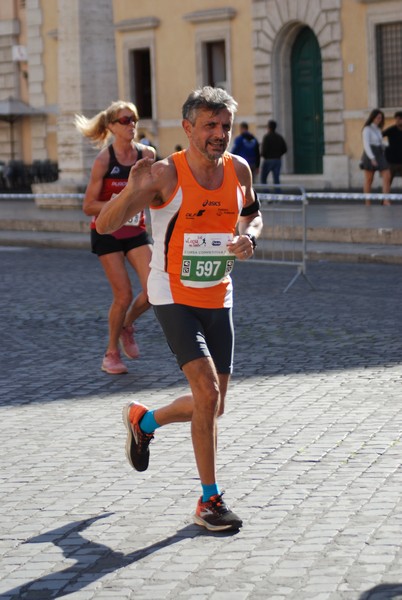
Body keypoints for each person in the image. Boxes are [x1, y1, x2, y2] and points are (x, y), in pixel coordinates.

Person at [96, 86, 263, 532]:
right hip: (172, 294)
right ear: (187, 128)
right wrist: (131, 192)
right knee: (206, 395)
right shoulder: (164, 175)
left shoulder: (240, 169)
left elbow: (252, 213)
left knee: (215, 406)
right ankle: (209, 501)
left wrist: (250, 236)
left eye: (225, 126)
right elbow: (104, 224)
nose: (219, 134)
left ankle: (144, 420)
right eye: (209, 125)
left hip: (219, 292)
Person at [74, 101, 156, 374]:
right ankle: (111, 353)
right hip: (107, 232)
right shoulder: (104, 161)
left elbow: (156, 192)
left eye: (133, 118)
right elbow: (88, 205)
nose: (131, 124)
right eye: (124, 120)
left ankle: (126, 326)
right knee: (123, 295)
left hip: (135, 231)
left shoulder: (147, 154)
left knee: (155, 289)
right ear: (110, 126)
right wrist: (121, 202)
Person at [360, 108, 391, 205]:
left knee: (387, 175)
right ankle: (367, 201)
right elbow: (366, 144)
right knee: (369, 179)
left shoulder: (378, 129)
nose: (379, 119)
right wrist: (372, 158)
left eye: (381, 118)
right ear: (372, 117)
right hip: (370, 153)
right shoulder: (367, 129)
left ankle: (386, 200)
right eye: (378, 117)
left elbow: (380, 142)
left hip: (379, 153)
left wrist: (386, 145)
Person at [260, 120, 287, 186]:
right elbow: (285, 149)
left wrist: (264, 155)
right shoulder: (279, 137)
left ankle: (265, 193)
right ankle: (278, 193)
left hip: (268, 160)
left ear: (268, 127)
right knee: (276, 179)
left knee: (263, 178)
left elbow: (264, 150)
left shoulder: (266, 137)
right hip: (277, 160)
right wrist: (279, 154)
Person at [383, 110, 402, 187]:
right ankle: (385, 199)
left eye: (400, 119)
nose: (397, 121)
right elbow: (378, 137)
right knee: (388, 182)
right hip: (392, 162)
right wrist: (385, 146)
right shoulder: (391, 130)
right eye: (396, 119)